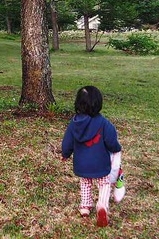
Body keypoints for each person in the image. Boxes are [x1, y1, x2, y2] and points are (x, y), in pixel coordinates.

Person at [62, 86, 122, 227]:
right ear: (98, 103)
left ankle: (85, 206)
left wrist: (65, 154)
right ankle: (101, 205)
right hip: (100, 162)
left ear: (78, 104)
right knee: (104, 183)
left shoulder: (74, 123)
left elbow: (67, 141)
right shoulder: (104, 123)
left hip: (82, 163)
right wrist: (116, 149)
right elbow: (111, 141)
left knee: (85, 182)